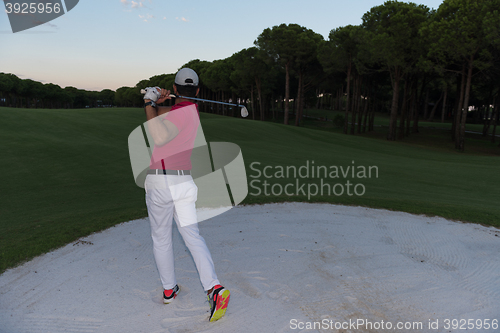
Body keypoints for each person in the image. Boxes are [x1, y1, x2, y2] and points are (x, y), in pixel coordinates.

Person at [142, 68, 230, 322]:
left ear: (176, 87)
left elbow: (158, 132)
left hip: (161, 181)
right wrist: (159, 101)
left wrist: (149, 100)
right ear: (198, 91)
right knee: (192, 236)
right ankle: (214, 288)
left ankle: (169, 290)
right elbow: (162, 118)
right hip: (184, 183)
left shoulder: (180, 111)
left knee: (161, 238)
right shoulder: (190, 110)